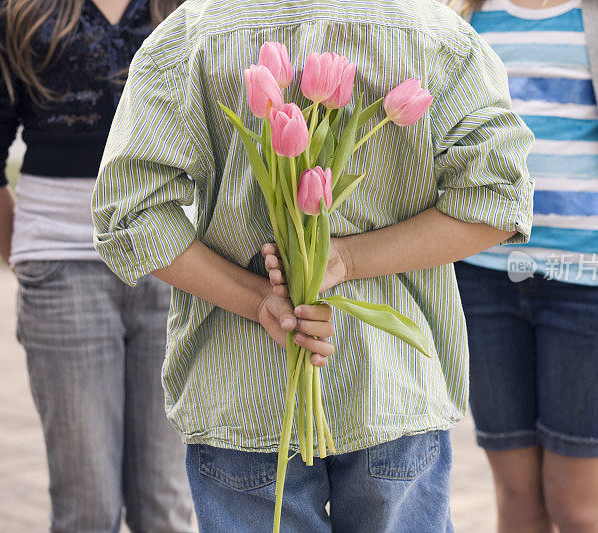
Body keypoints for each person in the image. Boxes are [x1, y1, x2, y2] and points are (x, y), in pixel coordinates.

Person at [90, 0, 535, 530]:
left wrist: (260, 302)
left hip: (240, 392)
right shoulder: (433, 32)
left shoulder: (196, 30)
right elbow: (499, 203)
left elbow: (128, 214)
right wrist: (348, 260)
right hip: (389, 386)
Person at [0, 1, 195, 531]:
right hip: (61, 268)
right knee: (87, 509)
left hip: (178, 271)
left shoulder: (190, 10)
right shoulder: (14, 14)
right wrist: (36, 260)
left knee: (164, 506)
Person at [451, 0, 598, 531]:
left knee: (578, 505)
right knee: (516, 498)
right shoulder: (465, 9)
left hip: (595, 288)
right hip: (481, 281)